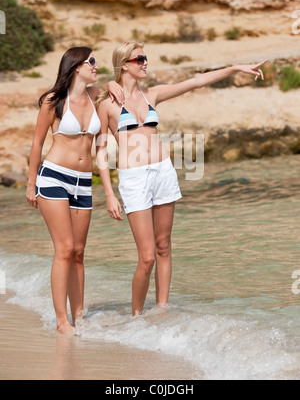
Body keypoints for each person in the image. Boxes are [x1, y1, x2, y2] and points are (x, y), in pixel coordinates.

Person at [96, 40, 267, 316]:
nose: (145, 63)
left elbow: (196, 82)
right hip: (134, 179)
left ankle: (162, 310)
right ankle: (136, 317)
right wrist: (108, 193)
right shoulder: (107, 103)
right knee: (147, 257)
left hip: (163, 171)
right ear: (125, 63)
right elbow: (101, 149)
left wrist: (235, 68)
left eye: (145, 58)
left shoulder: (153, 94)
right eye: (140, 59)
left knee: (164, 247)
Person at [26, 46, 124, 335]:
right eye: (91, 61)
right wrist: (31, 184)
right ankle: (61, 321)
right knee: (65, 249)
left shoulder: (96, 98)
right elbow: (36, 143)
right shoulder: (53, 101)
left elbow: (113, 98)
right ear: (75, 66)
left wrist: (110, 82)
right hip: (54, 177)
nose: (96, 65)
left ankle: (79, 315)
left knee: (79, 252)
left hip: (83, 181)